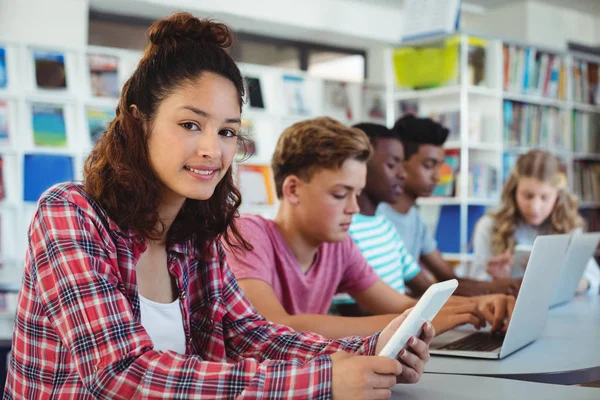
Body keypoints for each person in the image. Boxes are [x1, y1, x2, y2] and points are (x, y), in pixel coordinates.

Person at [4, 13, 434, 399]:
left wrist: (370, 349)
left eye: (228, 132)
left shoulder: (196, 237)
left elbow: (255, 335)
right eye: (190, 124)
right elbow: (121, 373)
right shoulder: (70, 213)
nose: (213, 149)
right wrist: (326, 381)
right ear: (139, 122)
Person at [225, 117, 514, 342]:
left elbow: (401, 304)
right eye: (340, 194)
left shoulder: (338, 247)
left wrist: (479, 304)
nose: (353, 207)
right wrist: (413, 321)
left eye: (357, 193)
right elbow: (276, 327)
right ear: (292, 189)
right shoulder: (248, 234)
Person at [378, 115, 521, 296]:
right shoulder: (379, 219)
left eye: (439, 166)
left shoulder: (415, 220)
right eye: (429, 165)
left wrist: (502, 286)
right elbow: (419, 291)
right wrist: (494, 290)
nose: (438, 176)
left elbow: (449, 280)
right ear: (399, 162)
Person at [470, 149, 600, 294]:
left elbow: (594, 278)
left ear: (557, 196)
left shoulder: (569, 227)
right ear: (514, 191)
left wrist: (564, 281)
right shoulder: (488, 226)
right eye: (528, 196)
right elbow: (476, 284)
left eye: (544, 197)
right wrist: (499, 283)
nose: (535, 207)